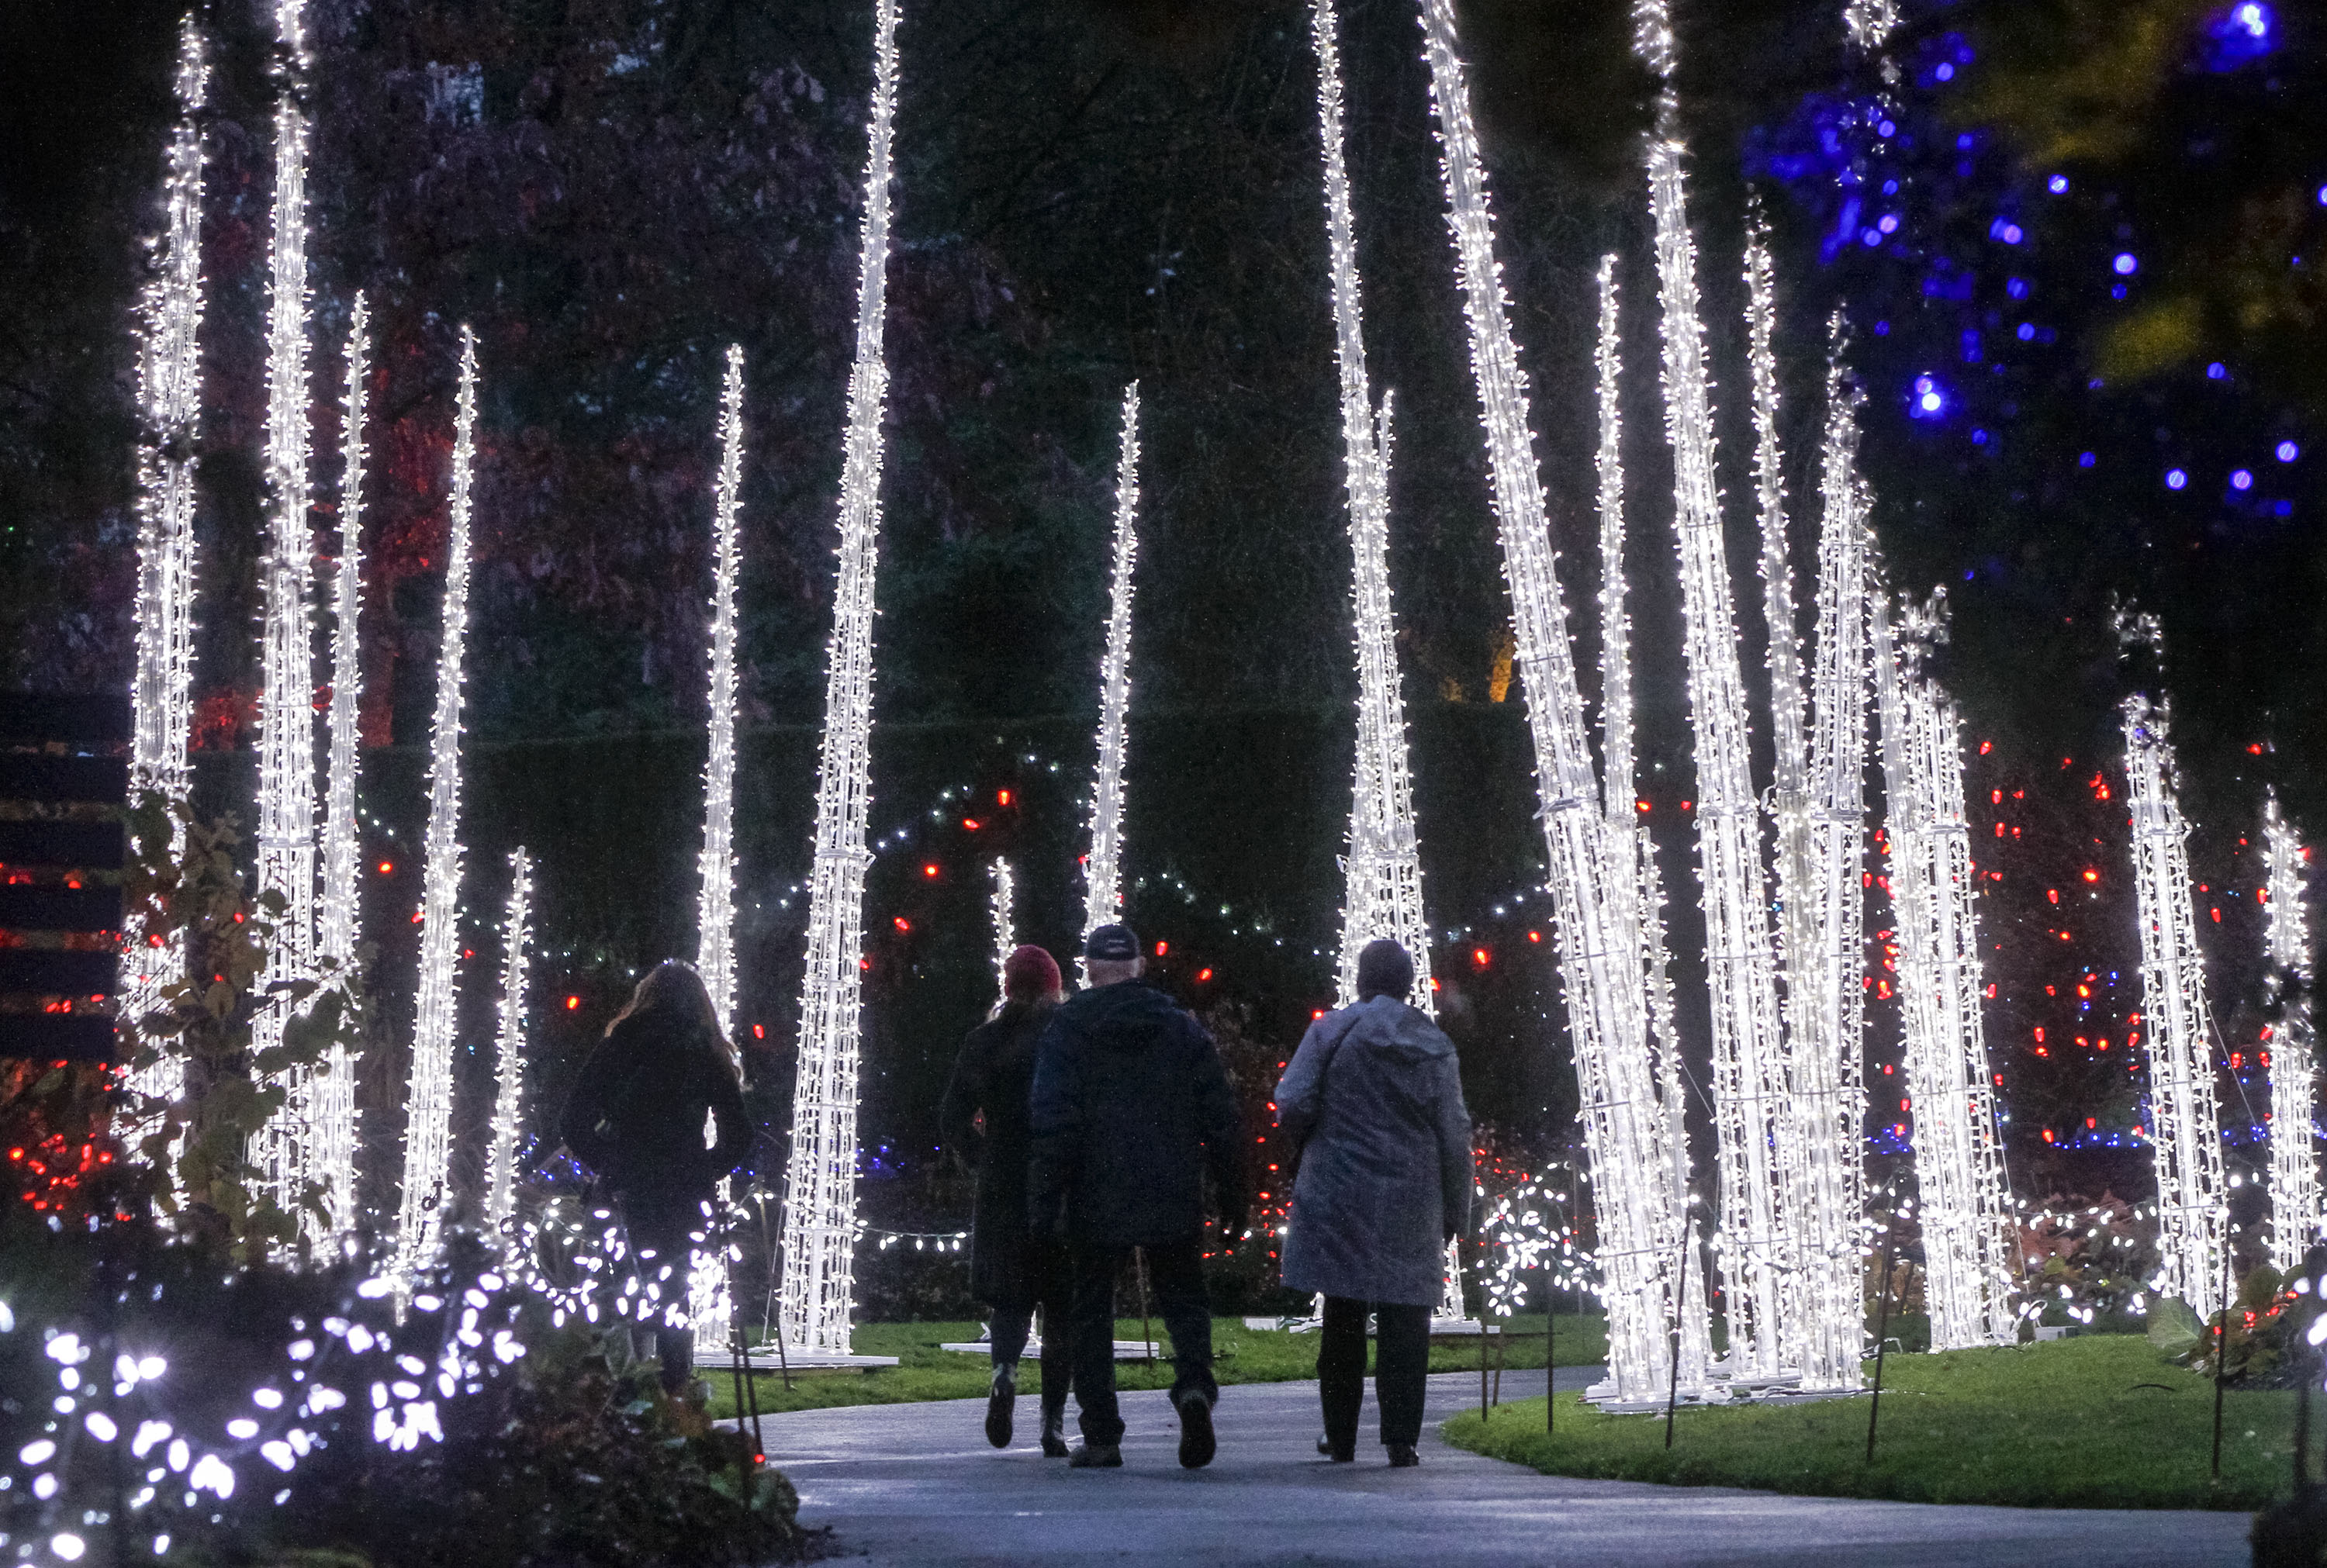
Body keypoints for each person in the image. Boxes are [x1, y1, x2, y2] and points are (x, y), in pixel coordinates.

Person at [1029, 923, 1246, 1470]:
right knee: (1184, 1299)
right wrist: (1232, 1193)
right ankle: (1194, 1385)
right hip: (1171, 1182)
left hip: (1095, 1188)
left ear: (1089, 968)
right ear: (1140, 966)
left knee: (1091, 1312)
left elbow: (1053, 1120)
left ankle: (1101, 1433)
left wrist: (1044, 1201)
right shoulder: (1181, 1030)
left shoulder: (1069, 1029)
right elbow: (1221, 1118)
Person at [1274, 938, 1472, 1468]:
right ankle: (1401, 1437)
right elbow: (1454, 1132)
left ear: (1361, 979)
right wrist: (1458, 1208)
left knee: (1343, 1313)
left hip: (1339, 1190)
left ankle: (1340, 1436)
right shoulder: (1433, 1045)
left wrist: (1317, 1134)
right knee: (1407, 1317)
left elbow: (1291, 1100)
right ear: (1409, 984)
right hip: (1411, 1195)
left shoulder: (1329, 1032)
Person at [559, 960, 752, 1398]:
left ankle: (618, 1398)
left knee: (613, 1295)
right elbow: (740, 1134)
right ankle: (676, 1392)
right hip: (682, 1193)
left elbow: (573, 1120)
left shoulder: (622, 1045)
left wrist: (610, 1162)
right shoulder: (703, 1050)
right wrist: (703, 1170)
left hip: (625, 1189)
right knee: (673, 1296)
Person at [939, 944, 1074, 1456]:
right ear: (1053, 986)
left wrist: (984, 1157)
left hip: (1004, 1186)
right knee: (1061, 1306)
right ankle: (1054, 1422)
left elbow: (951, 1118)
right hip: (1060, 1184)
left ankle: (1004, 1373)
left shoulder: (984, 1043)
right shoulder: (1066, 1040)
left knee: (1011, 1300)